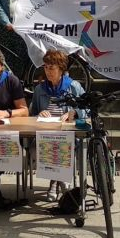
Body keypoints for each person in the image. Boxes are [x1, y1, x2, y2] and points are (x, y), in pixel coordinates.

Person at [30, 48, 85, 201]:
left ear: (61, 69)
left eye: (51, 68)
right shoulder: (39, 89)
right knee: (38, 147)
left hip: (68, 135)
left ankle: (54, 183)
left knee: (62, 146)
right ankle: (61, 181)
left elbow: (86, 108)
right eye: (46, 68)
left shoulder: (73, 87)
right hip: (44, 135)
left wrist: (73, 113)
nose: (48, 72)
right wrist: (38, 114)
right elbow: (32, 114)